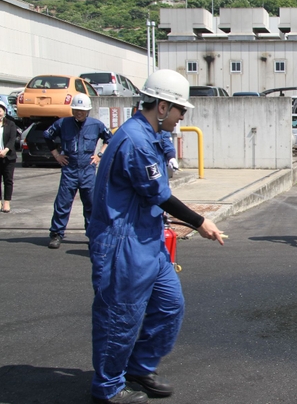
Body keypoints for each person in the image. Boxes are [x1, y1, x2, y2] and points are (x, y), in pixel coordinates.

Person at [87, 69, 224, 404]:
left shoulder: (150, 132)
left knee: (169, 306)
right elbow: (159, 194)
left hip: (148, 239)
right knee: (120, 317)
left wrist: (169, 149)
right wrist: (199, 221)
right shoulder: (135, 141)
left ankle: (139, 368)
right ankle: (108, 388)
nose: (182, 118)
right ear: (162, 107)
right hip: (124, 243)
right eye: (180, 111)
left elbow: (162, 143)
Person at [45, 93, 112, 249]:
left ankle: (93, 235)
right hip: (70, 169)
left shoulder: (96, 125)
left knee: (91, 204)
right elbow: (47, 135)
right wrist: (56, 155)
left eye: (82, 110)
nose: (78, 113)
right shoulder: (63, 123)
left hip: (88, 170)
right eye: (75, 109)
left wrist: (99, 155)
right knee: (62, 203)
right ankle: (56, 234)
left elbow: (109, 138)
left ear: (88, 110)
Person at [0, 101, 18, 213]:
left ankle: (6, 202)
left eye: (0, 111)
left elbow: (12, 139)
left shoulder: (10, 124)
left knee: (8, 180)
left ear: (4, 111)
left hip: (8, 157)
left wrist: (6, 150)